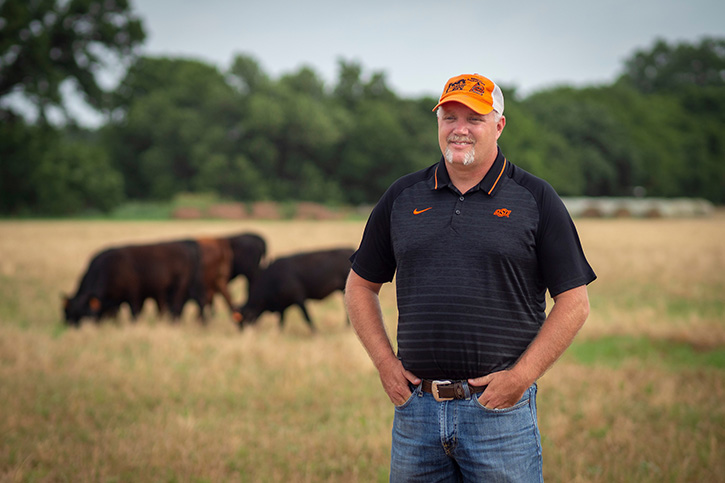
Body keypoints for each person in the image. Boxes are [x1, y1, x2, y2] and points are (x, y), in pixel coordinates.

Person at [344, 73, 596, 482]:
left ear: (498, 125)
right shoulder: (402, 196)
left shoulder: (535, 197)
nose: (459, 129)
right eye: (449, 117)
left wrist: (520, 379)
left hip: (498, 414)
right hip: (417, 411)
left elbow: (574, 302)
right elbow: (359, 285)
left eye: (474, 118)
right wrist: (384, 363)